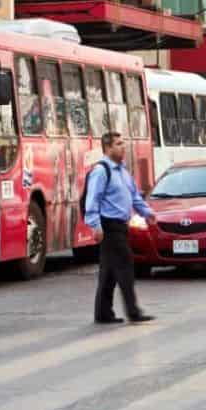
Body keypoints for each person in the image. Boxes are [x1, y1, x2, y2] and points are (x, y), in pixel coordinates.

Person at [83, 132, 156, 325]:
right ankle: (133, 311)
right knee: (125, 267)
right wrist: (96, 226)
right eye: (118, 144)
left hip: (121, 226)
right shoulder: (101, 171)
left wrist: (147, 213)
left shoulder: (123, 172)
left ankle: (103, 313)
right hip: (109, 226)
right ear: (107, 148)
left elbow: (135, 197)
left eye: (123, 143)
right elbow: (92, 201)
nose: (123, 147)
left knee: (108, 272)